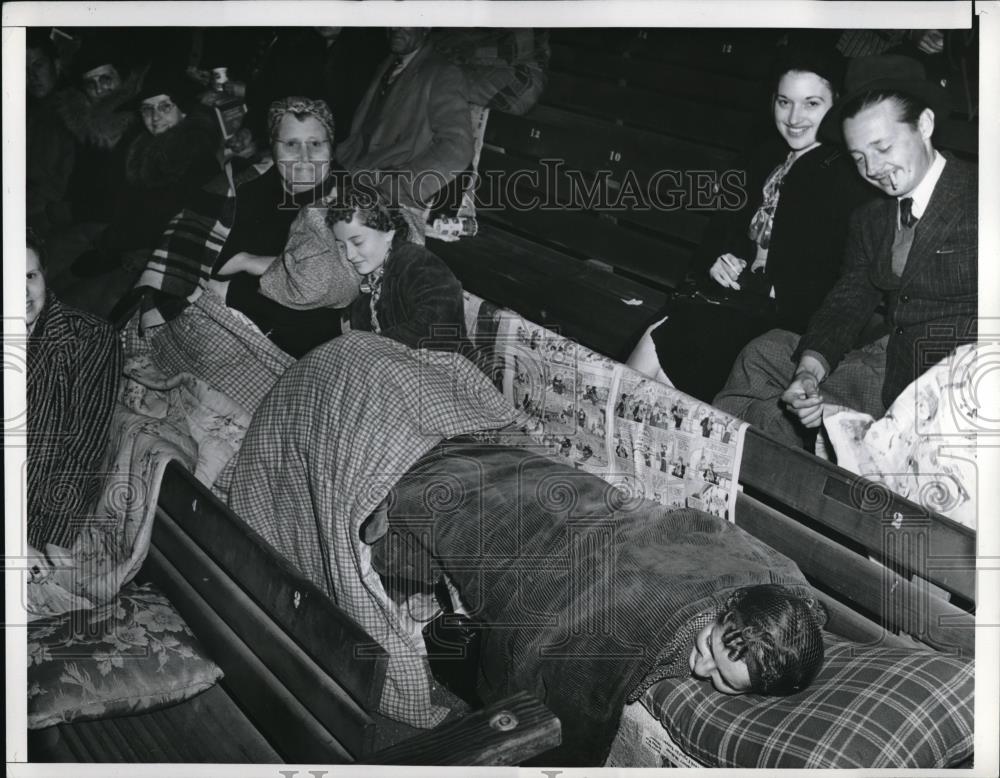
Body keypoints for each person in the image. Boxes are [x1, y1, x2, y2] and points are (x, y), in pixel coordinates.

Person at [713, 55, 977, 449]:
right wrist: (809, 370)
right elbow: (847, 302)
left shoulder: (981, 198)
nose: (873, 169)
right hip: (889, 360)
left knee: (780, 422)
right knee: (761, 354)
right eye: (858, 158)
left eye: (883, 146)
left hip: (950, 387)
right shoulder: (872, 218)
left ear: (924, 125)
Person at [627, 49, 876, 401]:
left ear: (836, 105)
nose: (794, 117)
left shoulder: (843, 178)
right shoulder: (763, 157)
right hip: (733, 303)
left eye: (811, 104)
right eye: (784, 101)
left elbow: (834, 289)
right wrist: (720, 263)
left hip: (787, 325)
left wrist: (765, 289)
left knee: (669, 340)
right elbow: (718, 239)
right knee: (664, 330)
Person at [141, 96, 359, 359]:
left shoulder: (347, 199)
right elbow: (200, 261)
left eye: (315, 144)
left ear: (331, 149)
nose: (304, 158)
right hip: (222, 321)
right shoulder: (246, 185)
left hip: (290, 336)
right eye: (291, 144)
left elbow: (329, 291)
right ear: (273, 147)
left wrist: (247, 267)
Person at [72, 66, 223, 278]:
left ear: (183, 109)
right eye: (147, 109)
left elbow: (182, 225)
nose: (155, 117)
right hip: (122, 248)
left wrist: (139, 253)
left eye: (165, 107)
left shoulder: (196, 155)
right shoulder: (142, 147)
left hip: (159, 262)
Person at [25, 231, 123, 550]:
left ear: (45, 275)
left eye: (30, 275)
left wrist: (48, 544)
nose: (22, 291)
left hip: (36, 521)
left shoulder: (90, 340)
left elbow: (81, 453)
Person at [335, 27, 474, 224]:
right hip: (351, 176)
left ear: (426, 26)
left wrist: (402, 186)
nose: (396, 26)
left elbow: (457, 147)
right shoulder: (386, 63)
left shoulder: (443, 73)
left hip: (387, 195)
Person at [326, 184, 467, 351]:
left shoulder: (417, 263)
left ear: (388, 232)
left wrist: (368, 347)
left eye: (357, 242)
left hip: (446, 367)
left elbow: (439, 326)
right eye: (342, 246)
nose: (349, 255)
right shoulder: (368, 284)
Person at [26, 29, 76, 240]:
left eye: (38, 65)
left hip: (53, 224)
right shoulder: (25, 111)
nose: (32, 77)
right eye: (24, 69)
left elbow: (55, 190)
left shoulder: (72, 113)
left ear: (56, 65)